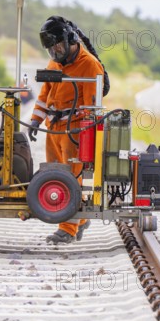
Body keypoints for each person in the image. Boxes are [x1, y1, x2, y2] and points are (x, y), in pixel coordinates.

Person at [28, 16, 107, 244]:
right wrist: (35, 120)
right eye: (51, 48)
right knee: (53, 175)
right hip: (54, 128)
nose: (55, 52)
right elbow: (44, 96)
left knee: (72, 179)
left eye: (58, 46)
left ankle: (68, 229)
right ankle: (80, 220)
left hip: (73, 130)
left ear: (71, 39)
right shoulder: (55, 64)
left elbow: (92, 105)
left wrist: (80, 130)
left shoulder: (89, 64)